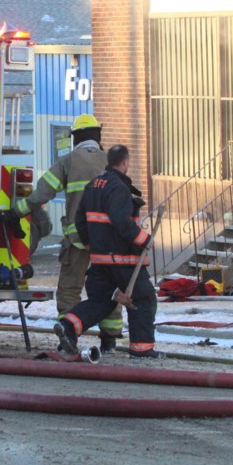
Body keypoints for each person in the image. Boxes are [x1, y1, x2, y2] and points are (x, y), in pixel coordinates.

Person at [6, 113, 123, 354]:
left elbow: (40, 195)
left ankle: (68, 337)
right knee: (110, 288)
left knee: (70, 289)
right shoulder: (111, 162)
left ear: (75, 138)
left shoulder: (67, 161)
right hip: (108, 242)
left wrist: (15, 212)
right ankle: (110, 340)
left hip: (77, 241)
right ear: (98, 135)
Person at [53, 145, 164, 359]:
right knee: (142, 297)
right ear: (124, 162)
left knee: (101, 301)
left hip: (100, 259)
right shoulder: (119, 188)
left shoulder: (93, 185)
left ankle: (68, 326)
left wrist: (88, 245)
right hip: (123, 260)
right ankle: (142, 349)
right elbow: (121, 222)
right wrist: (143, 239)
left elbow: (79, 219)